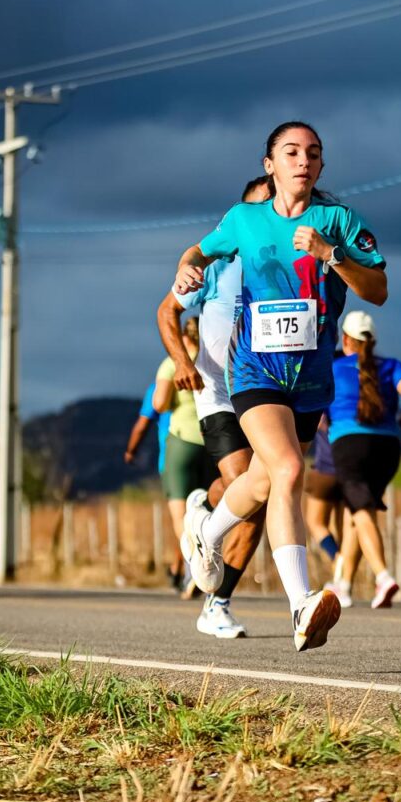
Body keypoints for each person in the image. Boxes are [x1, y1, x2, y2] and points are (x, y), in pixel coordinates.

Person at [174, 121, 387, 651]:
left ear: (321, 165)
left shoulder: (338, 221)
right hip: (254, 369)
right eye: (291, 152)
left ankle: (206, 532)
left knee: (265, 481)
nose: (303, 161)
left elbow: (378, 290)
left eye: (313, 153)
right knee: (289, 468)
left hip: (310, 377)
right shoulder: (244, 220)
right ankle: (300, 603)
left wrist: (332, 255)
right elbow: (196, 253)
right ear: (270, 165)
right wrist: (186, 271)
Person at [156, 176, 270, 639]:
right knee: (246, 485)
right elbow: (167, 311)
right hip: (218, 394)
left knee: (259, 498)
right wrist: (182, 361)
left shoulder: (286, 265)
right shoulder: (217, 263)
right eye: (261, 208)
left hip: (268, 394)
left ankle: (217, 601)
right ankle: (205, 520)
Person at [326, 311, 401, 609]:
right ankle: (344, 585)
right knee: (356, 512)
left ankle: (383, 576)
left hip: (349, 445)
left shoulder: (333, 367)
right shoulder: (392, 365)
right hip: (388, 447)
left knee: (360, 510)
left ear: (345, 339)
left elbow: (317, 413)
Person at [153, 317, 216, 595]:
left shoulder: (172, 363)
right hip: (212, 442)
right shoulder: (213, 361)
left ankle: (192, 570)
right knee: (207, 510)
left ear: (182, 336)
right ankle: (208, 567)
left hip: (182, 442)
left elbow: (159, 403)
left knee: (181, 514)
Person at [123, 382, 179, 589]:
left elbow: (142, 424)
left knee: (180, 517)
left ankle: (183, 567)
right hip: (209, 453)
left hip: (172, 459)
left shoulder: (160, 384)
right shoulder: (204, 374)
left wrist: (131, 451)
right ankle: (181, 565)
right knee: (199, 513)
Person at [305, 416, 362, 609]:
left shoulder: (325, 402)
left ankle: (337, 558)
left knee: (316, 522)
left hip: (325, 469)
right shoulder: (356, 404)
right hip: (352, 471)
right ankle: (345, 583)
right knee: (348, 527)